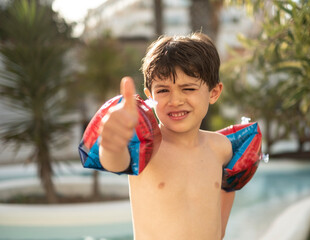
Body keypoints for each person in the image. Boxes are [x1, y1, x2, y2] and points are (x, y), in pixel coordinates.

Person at [79, 33, 261, 240]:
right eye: (163, 90)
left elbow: (230, 184)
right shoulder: (149, 147)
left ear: (213, 92)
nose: (175, 100)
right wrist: (112, 144)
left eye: (188, 88)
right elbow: (115, 162)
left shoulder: (221, 148)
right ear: (150, 95)